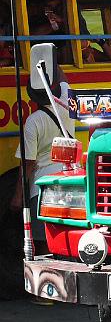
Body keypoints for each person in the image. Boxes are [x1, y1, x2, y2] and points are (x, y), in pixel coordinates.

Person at [10, 67, 74, 254]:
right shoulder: (65, 103)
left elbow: (28, 163)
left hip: (42, 190)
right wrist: (47, 63)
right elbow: (62, 77)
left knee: (44, 244)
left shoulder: (33, 121)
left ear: (32, 98)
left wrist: (17, 196)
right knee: (65, 239)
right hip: (68, 181)